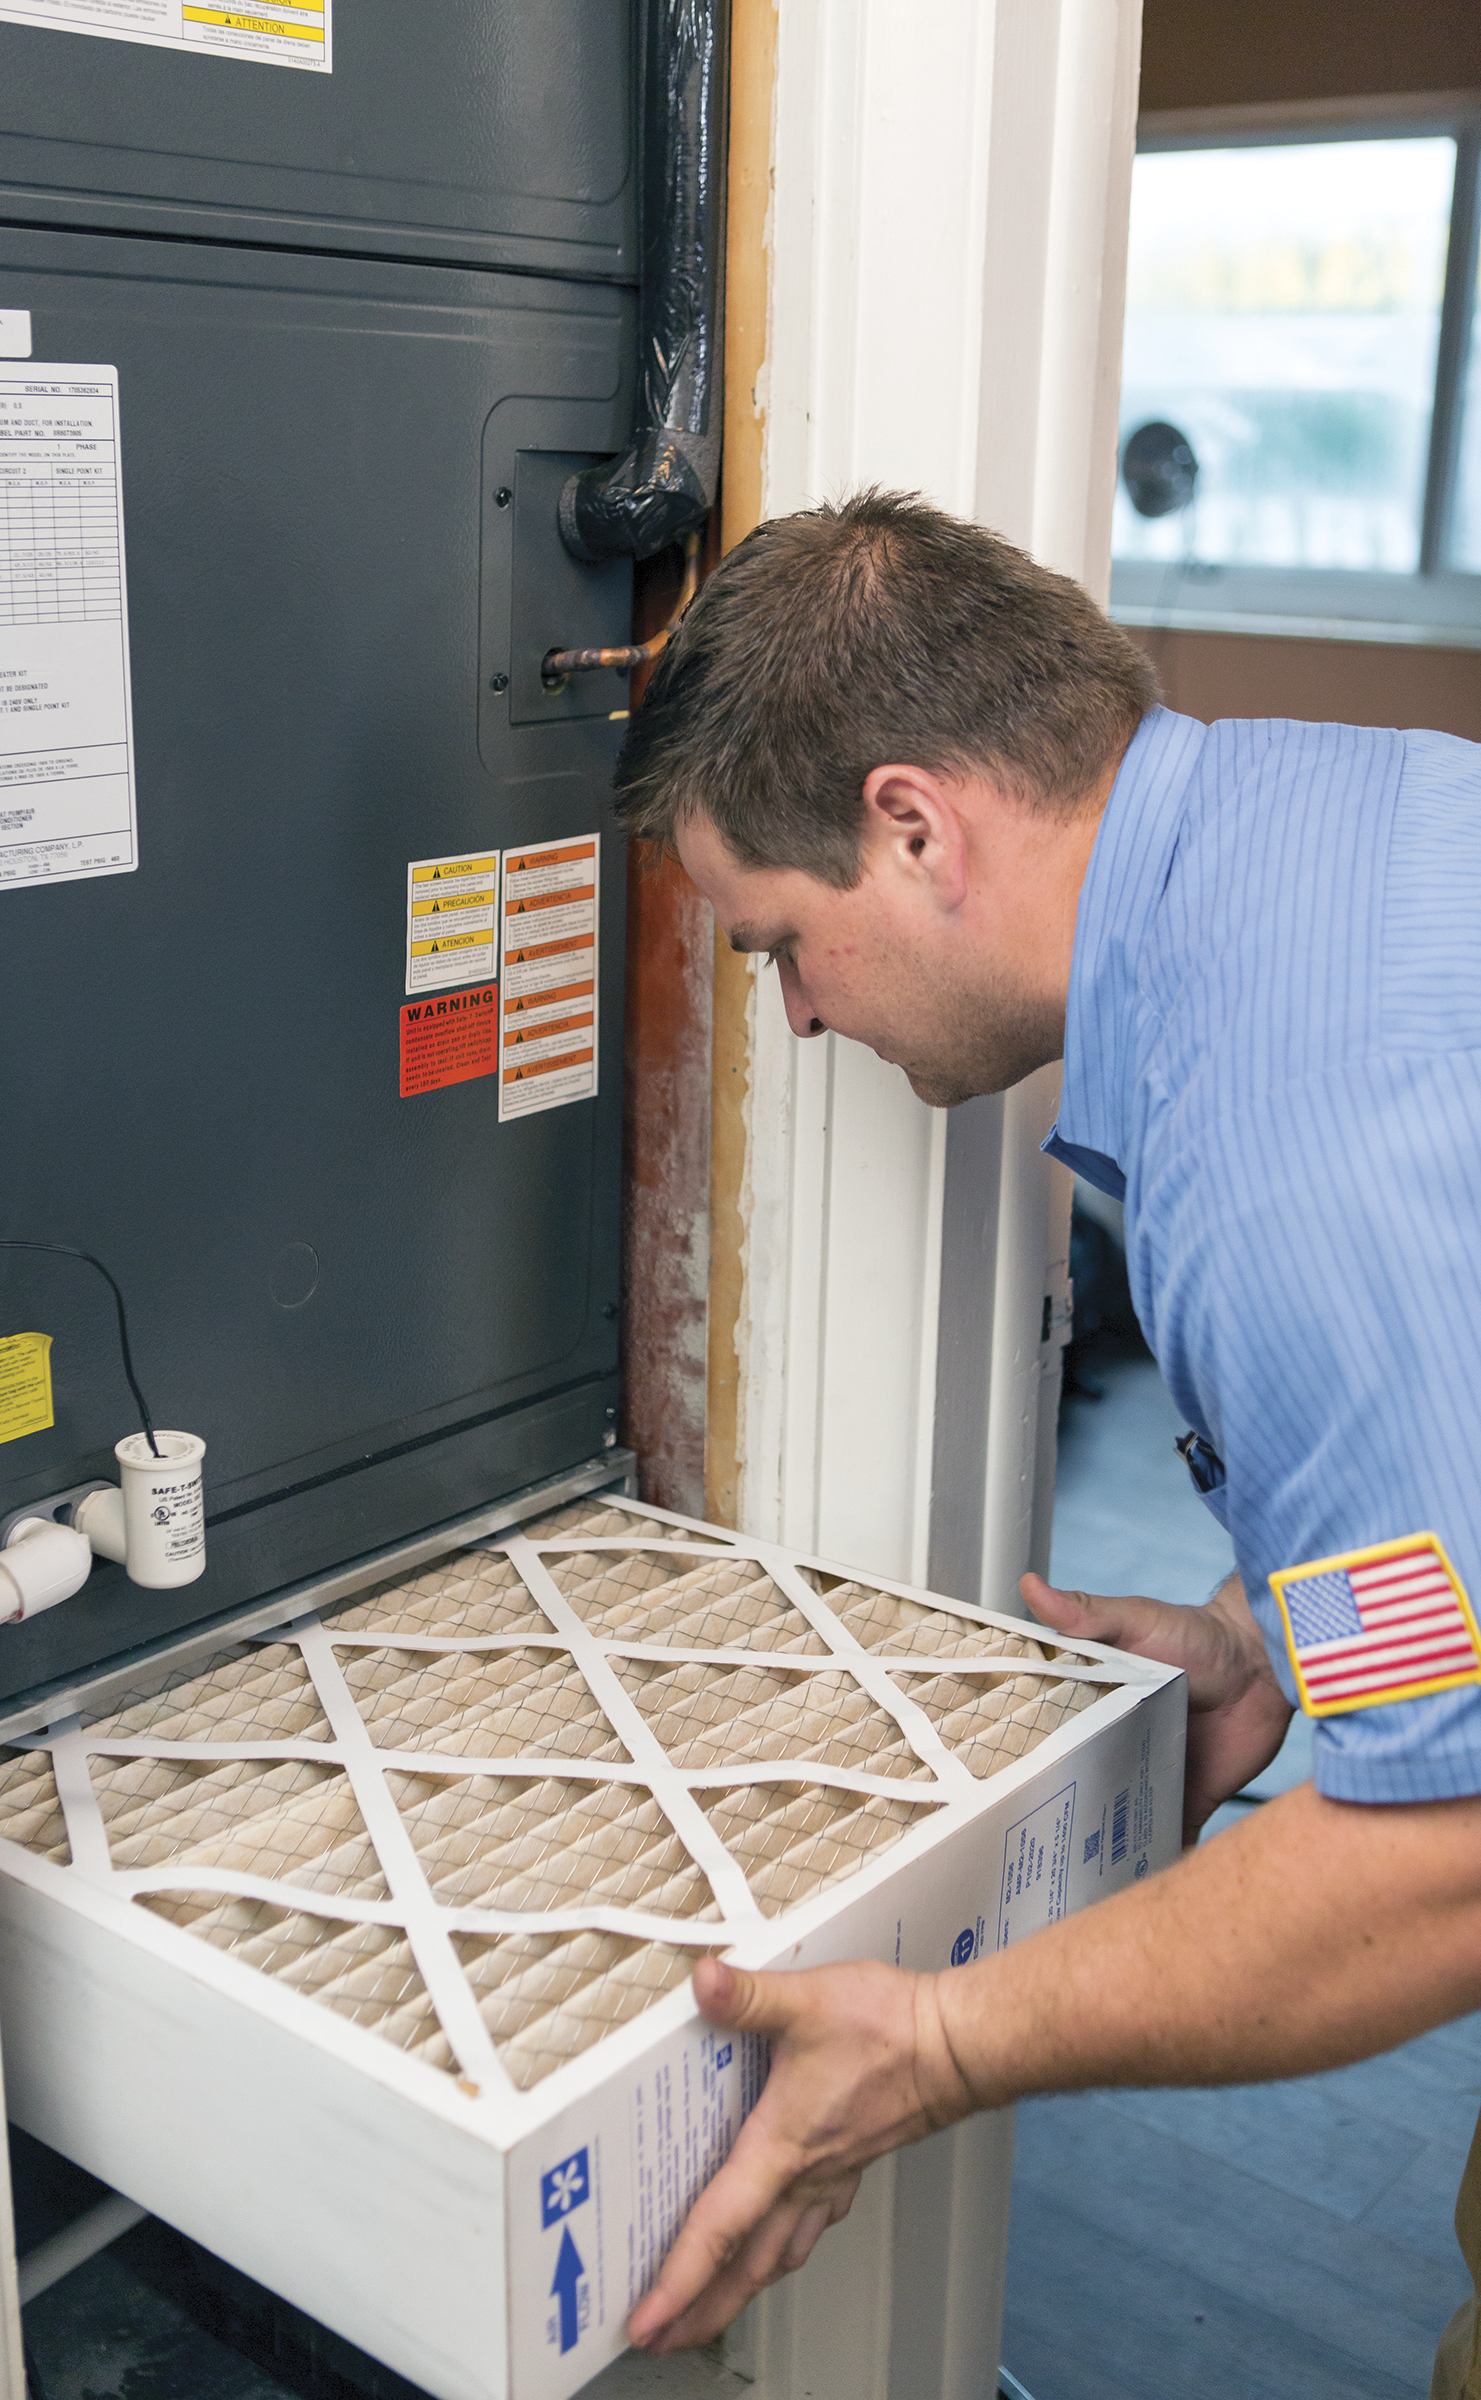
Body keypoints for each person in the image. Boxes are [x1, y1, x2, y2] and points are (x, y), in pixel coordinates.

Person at [610, 490, 1481, 2394]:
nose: (803, 1013)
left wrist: (930, 2051)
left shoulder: (1283, 1160)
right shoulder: (1356, 809)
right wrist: (1269, 1635)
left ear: (913, 826)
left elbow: (1456, 1851)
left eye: (779, 944)